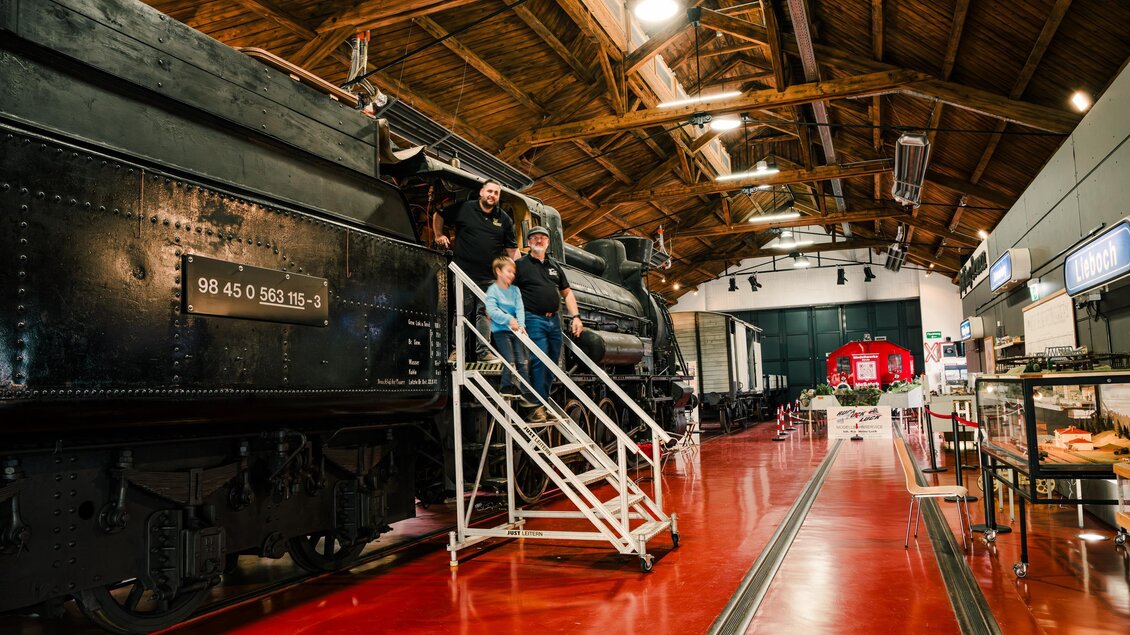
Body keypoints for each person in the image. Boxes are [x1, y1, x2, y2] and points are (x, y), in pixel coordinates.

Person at [433, 179, 518, 363]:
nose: (492, 195)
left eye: (496, 193)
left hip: (489, 278)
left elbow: (512, 250)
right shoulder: (465, 208)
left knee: (485, 314)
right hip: (463, 273)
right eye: (489, 191)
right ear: (481, 192)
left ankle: (483, 353)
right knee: (461, 311)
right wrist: (438, 235)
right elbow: (439, 215)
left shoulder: (504, 219)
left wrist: (514, 274)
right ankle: (457, 352)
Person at [514, 226, 584, 415]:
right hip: (532, 318)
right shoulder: (520, 265)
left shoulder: (554, 266)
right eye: (534, 238)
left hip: (554, 322)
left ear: (547, 242)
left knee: (552, 362)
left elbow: (567, 293)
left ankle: (540, 401)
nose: (538, 240)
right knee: (539, 359)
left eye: (542, 238)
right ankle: (536, 406)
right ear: (529, 243)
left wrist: (576, 317)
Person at [484, 257, 544, 422]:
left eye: (513, 272)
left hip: (516, 331)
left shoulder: (515, 291)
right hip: (501, 331)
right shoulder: (493, 290)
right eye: (509, 271)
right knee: (509, 360)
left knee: (522, 361)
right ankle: (506, 388)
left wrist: (522, 325)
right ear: (498, 271)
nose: (512, 275)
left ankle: (527, 393)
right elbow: (491, 310)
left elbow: (520, 308)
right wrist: (508, 319)